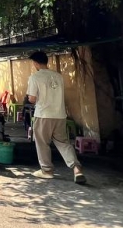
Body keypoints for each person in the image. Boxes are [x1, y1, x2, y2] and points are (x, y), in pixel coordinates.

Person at [26, 51, 86, 184]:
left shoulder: (34, 77)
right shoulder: (58, 76)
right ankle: (77, 169)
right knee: (64, 143)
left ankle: (47, 170)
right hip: (60, 115)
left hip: (43, 115)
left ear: (35, 63)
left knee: (42, 143)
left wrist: (33, 99)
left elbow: (32, 99)